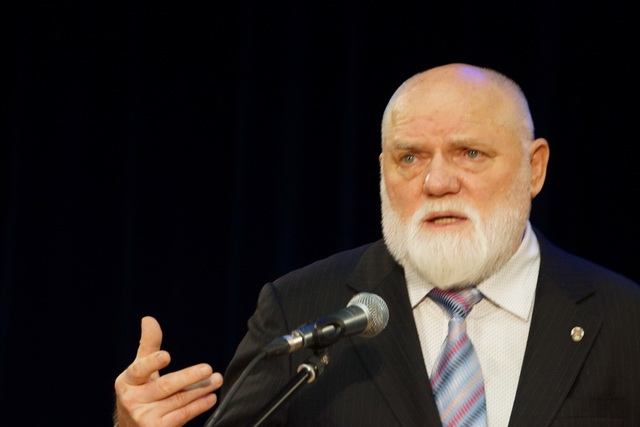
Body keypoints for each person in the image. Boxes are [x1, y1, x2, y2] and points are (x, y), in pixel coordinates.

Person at [114, 63, 640, 426]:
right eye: (410, 157)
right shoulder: (302, 307)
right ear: (383, 170)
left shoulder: (624, 320)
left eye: (470, 153)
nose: (437, 182)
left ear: (534, 168)